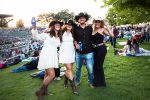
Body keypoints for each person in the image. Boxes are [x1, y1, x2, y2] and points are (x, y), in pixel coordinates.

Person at [31, 20, 63, 99]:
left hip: (53, 56)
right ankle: (40, 92)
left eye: (59, 25)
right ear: (52, 26)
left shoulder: (59, 36)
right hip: (46, 55)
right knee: (52, 75)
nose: (58, 25)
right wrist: (34, 28)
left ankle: (45, 91)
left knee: (47, 74)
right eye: (56, 24)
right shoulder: (47, 34)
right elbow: (36, 37)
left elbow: (59, 45)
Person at [74, 12, 94, 88]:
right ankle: (77, 81)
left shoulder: (90, 28)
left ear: (85, 19)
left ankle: (91, 82)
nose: (81, 19)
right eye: (80, 18)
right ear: (78, 20)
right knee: (78, 68)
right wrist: (76, 45)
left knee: (90, 69)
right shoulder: (75, 29)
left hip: (89, 52)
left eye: (83, 18)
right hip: (79, 53)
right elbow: (74, 39)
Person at [92, 18, 113, 87]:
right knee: (95, 65)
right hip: (94, 49)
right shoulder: (93, 30)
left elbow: (112, 35)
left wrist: (107, 26)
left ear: (101, 23)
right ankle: (96, 81)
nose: (97, 23)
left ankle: (101, 83)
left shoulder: (103, 29)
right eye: (96, 22)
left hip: (101, 49)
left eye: (98, 22)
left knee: (99, 65)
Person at [59, 20, 78, 94]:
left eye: (71, 25)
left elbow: (75, 42)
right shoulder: (61, 33)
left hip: (72, 52)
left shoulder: (73, 34)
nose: (69, 25)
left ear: (72, 26)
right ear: (65, 25)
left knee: (69, 69)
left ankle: (65, 82)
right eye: (68, 24)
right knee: (69, 69)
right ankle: (74, 87)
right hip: (64, 53)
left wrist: (76, 44)